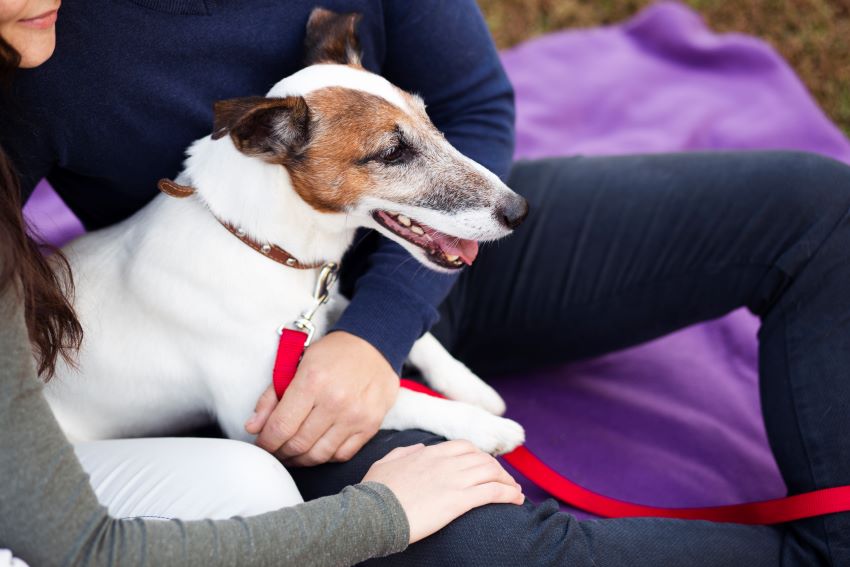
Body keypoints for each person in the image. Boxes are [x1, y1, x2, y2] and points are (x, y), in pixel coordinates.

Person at [4, 0, 850, 565]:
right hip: (281, 365)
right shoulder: (32, 33)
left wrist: (381, 334)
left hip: (430, 269)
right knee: (500, 546)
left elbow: (477, 102)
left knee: (821, 208)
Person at [0, 2, 525, 565]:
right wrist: (450, 418)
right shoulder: (193, 278)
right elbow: (266, 418)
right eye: (394, 152)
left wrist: (397, 343)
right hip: (51, 460)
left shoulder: (253, 243)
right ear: (266, 140)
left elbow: (480, 101)